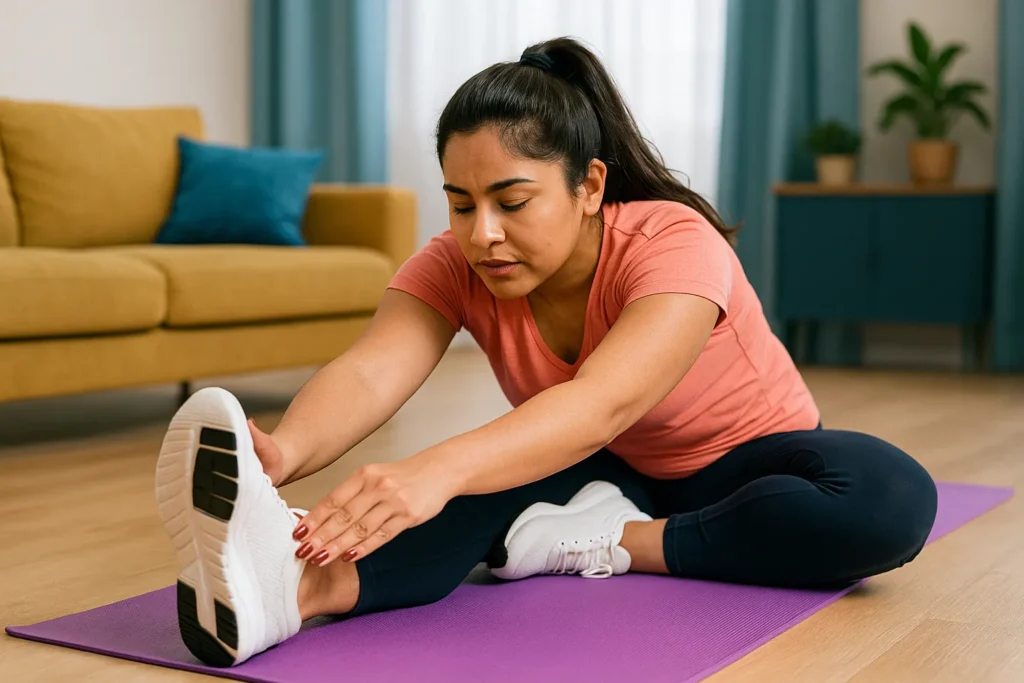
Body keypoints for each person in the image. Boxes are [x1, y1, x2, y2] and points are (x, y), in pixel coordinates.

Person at [155, 37, 938, 668]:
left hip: (748, 468)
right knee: (467, 490)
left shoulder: (672, 241)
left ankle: (611, 541)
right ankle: (297, 590)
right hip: (608, 464)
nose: (481, 232)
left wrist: (434, 470)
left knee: (889, 498)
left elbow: (606, 401)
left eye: (512, 201)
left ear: (590, 185)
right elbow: (373, 366)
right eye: (460, 203)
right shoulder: (454, 262)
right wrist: (280, 453)